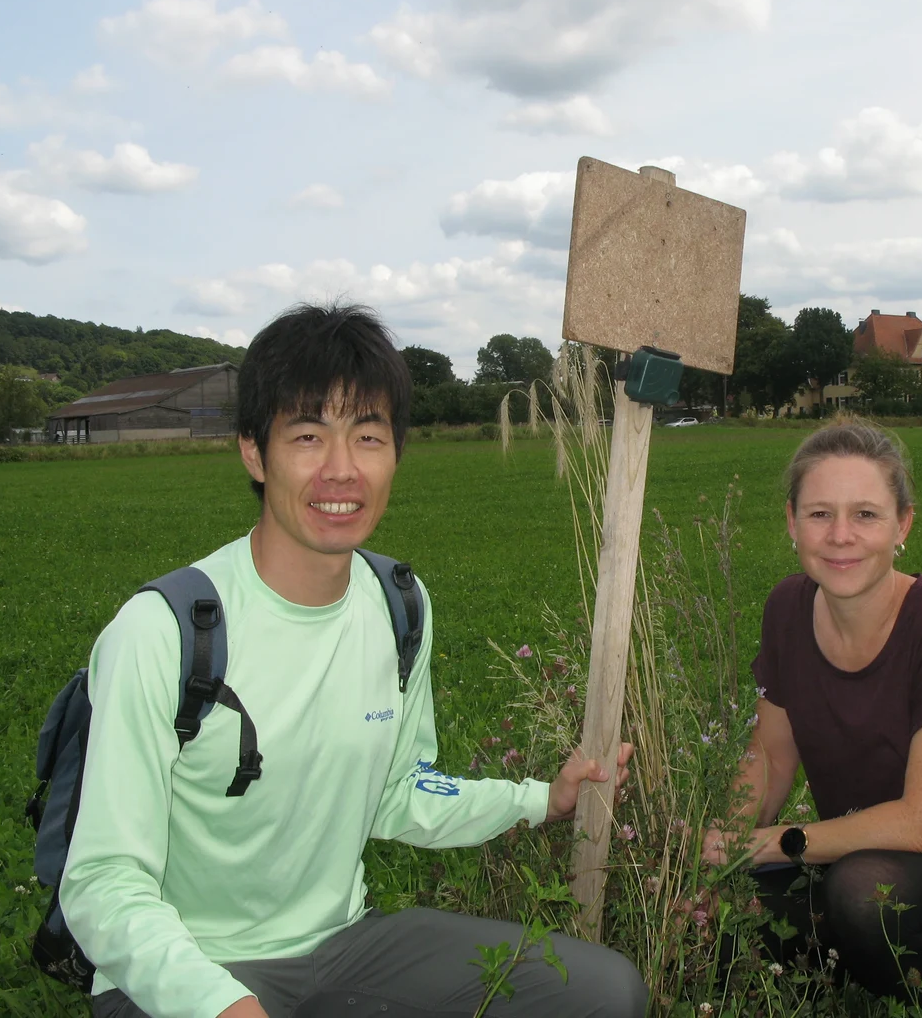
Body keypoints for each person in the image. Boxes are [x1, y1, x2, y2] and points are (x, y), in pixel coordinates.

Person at [61, 304, 646, 1018]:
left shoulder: (397, 606)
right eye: (308, 436)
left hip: (341, 948)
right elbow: (101, 881)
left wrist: (540, 800)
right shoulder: (165, 632)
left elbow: (398, 793)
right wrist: (224, 1005)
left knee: (603, 994)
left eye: (367, 436)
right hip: (180, 974)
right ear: (254, 450)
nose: (341, 471)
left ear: (396, 451)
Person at [703, 419, 922, 1003]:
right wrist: (720, 848)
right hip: (850, 854)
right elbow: (769, 756)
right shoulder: (789, 608)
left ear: (902, 525)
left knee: (864, 895)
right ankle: (850, 961)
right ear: (792, 523)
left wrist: (767, 845)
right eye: (819, 514)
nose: (841, 535)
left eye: (865, 514)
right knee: (731, 910)